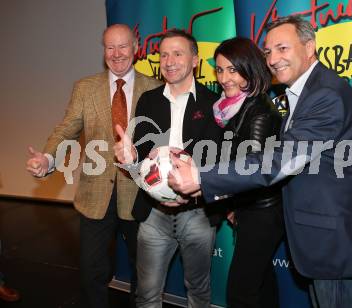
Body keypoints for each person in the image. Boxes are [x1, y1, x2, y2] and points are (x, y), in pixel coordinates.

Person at [169, 16, 352, 308]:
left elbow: (282, 159)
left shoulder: (324, 94)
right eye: (268, 52)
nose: (273, 59)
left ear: (309, 48)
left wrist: (203, 178)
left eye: (282, 48)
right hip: (318, 232)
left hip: (332, 239)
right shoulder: (303, 91)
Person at [25, 24, 162, 308]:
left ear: (136, 47)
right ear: (103, 51)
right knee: (91, 273)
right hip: (95, 195)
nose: (116, 53)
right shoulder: (85, 88)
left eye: (122, 46)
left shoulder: (155, 88)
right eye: (109, 47)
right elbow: (66, 131)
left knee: (145, 274)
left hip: (140, 194)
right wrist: (47, 159)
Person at [114, 29, 223, 308]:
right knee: (147, 293)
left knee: (198, 291)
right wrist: (129, 159)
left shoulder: (215, 104)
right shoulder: (149, 101)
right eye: (163, 54)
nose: (169, 61)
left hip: (197, 213)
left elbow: (220, 162)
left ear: (195, 60)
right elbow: (138, 161)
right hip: (153, 214)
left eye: (178, 53)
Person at [212, 37, 284, 308]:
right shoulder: (234, 106)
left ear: (250, 68)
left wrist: (207, 185)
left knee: (241, 293)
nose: (224, 78)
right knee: (261, 282)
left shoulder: (258, 111)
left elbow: (250, 168)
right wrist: (234, 205)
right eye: (220, 70)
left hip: (262, 213)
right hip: (252, 209)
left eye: (232, 69)